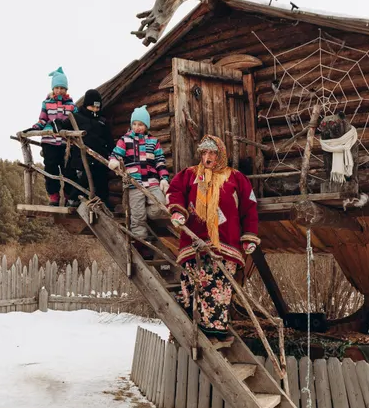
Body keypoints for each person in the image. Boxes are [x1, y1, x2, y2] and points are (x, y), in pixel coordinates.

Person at [166, 135, 260, 338]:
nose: (207, 157)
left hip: (225, 245)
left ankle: (213, 332)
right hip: (193, 243)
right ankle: (187, 329)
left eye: (212, 153)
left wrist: (250, 237)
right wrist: (177, 212)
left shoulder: (236, 178)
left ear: (221, 155)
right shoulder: (189, 175)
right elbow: (175, 192)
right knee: (191, 286)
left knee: (219, 289)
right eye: (204, 153)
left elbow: (249, 208)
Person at [108, 105, 170, 242]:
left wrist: (164, 178)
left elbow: (160, 161)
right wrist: (114, 162)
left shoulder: (154, 142)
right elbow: (115, 154)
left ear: (146, 125)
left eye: (141, 124)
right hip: (134, 183)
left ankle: (145, 216)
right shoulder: (125, 140)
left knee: (160, 205)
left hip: (152, 182)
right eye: (134, 124)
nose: (137, 127)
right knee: (137, 215)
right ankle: (141, 242)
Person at [59, 88, 112, 208]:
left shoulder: (102, 121)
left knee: (102, 182)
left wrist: (113, 154)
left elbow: (109, 140)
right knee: (83, 181)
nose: (95, 110)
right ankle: (72, 200)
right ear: (86, 105)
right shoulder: (77, 118)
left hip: (100, 159)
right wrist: (56, 124)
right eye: (92, 107)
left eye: (97, 108)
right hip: (81, 159)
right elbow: (63, 127)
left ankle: (104, 205)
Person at [33, 67, 75, 204]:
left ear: (66, 90)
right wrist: (37, 127)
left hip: (65, 143)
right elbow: (43, 120)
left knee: (68, 169)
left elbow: (74, 121)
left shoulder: (71, 105)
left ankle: (68, 195)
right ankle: (54, 195)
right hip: (49, 141)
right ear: (53, 89)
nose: (59, 91)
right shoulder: (46, 103)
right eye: (57, 88)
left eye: (62, 88)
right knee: (51, 168)